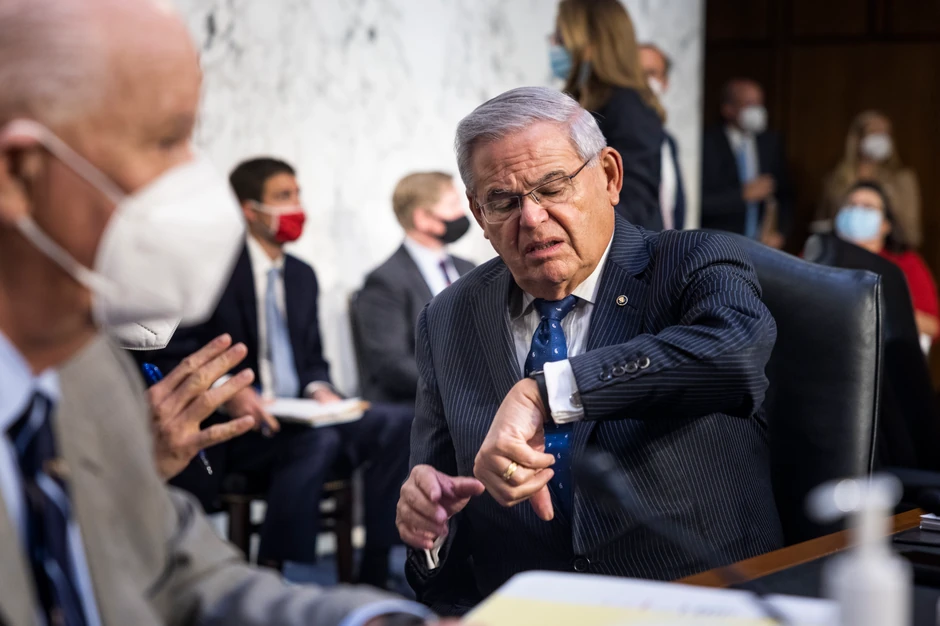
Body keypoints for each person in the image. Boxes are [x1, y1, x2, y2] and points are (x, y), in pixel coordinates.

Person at [0, 0, 442, 624]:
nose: (195, 179)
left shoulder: (88, 377)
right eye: (165, 139)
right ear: (17, 174)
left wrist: (372, 619)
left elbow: (182, 576)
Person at [396, 86, 783, 616]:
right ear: (479, 216)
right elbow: (443, 504)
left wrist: (550, 392)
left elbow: (734, 356)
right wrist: (430, 529)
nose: (532, 218)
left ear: (609, 176)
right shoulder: (447, 318)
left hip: (694, 602)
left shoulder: (692, 262)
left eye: (553, 187)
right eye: (504, 202)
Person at [148, 156, 413, 587]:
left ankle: (375, 564)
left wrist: (320, 389)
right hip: (242, 427)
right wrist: (228, 390)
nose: (297, 207)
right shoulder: (213, 272)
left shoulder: (302, 276)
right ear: (250, 210)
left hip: (301, 416)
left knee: (397, 423)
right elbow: (180, 349)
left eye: (297, 194)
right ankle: (274, 571)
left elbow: (313, 359)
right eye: (283, 197)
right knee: (319, 442)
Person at [356, 172, 475, 405]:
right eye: (453, 205)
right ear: (423, 219)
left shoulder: (467, 267)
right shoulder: (385, 280)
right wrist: (457, 387)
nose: (462, 213)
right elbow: (391, 363)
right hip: (421, 403)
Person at [551, 0, 665, 231]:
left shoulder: (627, 105)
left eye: (561, 37)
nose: (553, 44)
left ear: (592, 43)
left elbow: (633, 198)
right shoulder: (579, 101)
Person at [833, 181, 938, 347]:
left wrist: (882, 312)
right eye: (851, 205)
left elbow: (933, 324)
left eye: (868, 207)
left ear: (886, 224)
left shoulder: (905, 262)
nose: (857, 212)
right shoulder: (819, 252)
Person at [701, 78, 791, 248]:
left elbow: (785, 194)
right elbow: (699, 201)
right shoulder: (706, 143)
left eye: (759, 104)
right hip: (718, 244)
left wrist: (780, 232)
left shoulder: (770, 143)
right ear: (728, 109)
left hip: (760, 245)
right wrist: (741, 195)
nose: (757, 111)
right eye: (749, 104)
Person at [817, 110, 922, 249]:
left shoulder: (902, 179)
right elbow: (822, 222)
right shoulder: (837, 179)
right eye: (874, 131)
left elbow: (912, 232)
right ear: (858, 138)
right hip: (840, 248)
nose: (880, 137)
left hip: (887, 250)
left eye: (885, 132)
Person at [638, 42, 686, 230]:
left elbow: (675, 205)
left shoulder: (668, 141)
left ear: (665, 82)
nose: (644, 81)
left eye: (651, 73)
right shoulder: (612, 135)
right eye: (637, 73)